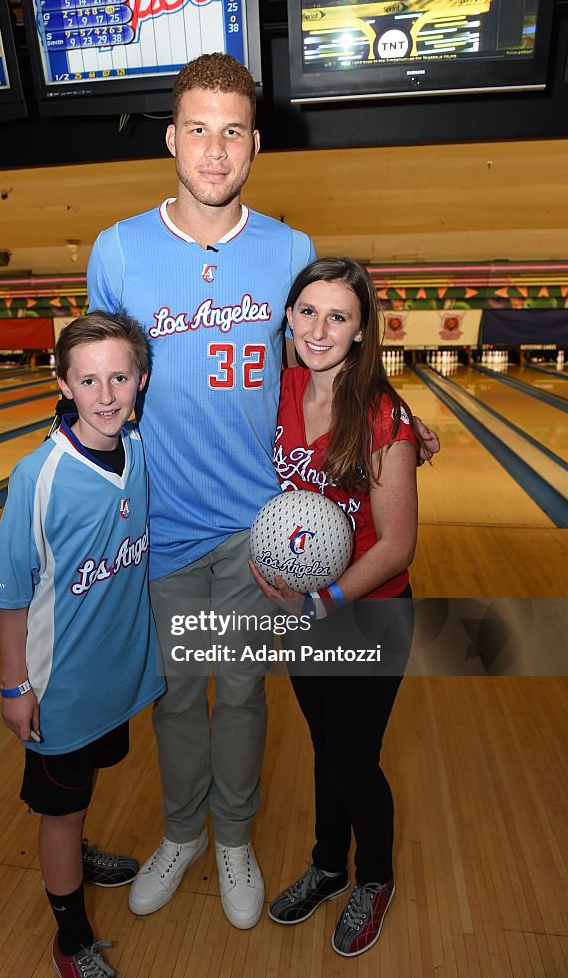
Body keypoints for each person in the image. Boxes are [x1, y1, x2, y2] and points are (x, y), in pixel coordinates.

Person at [86, 52, 439, 931]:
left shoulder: (289, 250)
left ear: (255, 143)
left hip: (261, 535)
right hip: (158, 528)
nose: (214, 150)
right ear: (171, 138)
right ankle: (181, 833)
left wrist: (396, 421)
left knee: (241, 694)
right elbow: (98, 388)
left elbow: (319, 371)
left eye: (232, 131)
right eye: (197, 129)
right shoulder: (118, 249)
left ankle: (235, 839)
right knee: (173, 697)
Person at [0, 312, 165, 978]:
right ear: (64, 383)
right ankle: (71, 935)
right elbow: (8, 593)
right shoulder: (41, 476)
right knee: (59, 811)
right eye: (89, 380)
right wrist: (13, 685)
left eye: (120, 377)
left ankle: (77, 846)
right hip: (57, 689)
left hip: (116, 679)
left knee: (78, 794)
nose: (107, 394)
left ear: (141, 381)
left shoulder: (139, 451)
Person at [250, 257, 418, 957]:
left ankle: (372, 878)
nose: (319, 328)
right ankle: (327, 863)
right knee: (326, 750)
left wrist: (325, 598)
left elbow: (398, 545)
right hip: (304, 612)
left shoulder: (382, 414)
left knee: (352, 759)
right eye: (308, 311)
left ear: (359, 332)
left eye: (338, 316)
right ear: (288, 318)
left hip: (369, 612)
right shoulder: (279, 389)